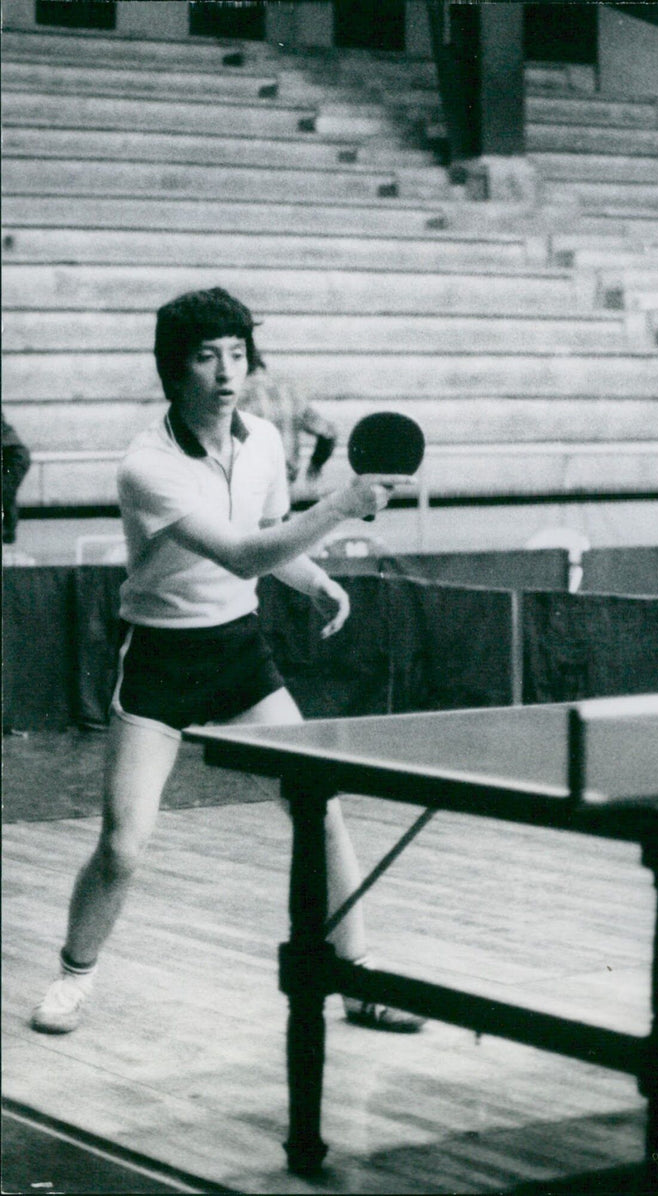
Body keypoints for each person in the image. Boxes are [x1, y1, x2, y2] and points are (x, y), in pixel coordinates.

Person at [31, 287, 424, 1036]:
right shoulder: (147, 466)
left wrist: (313, 581)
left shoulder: (266, 443)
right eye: (207, 356)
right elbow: (243, 553)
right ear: (174, 370)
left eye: (237, 354)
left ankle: (357, 979)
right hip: (161, 662)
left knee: (322, 810)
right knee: (122, 845)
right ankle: (72, 978)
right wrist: (341, 506)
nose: (225, 371)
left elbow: (270, 531)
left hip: (239, 652)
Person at [238, 355, 337, 490]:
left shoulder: (235, 395)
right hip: (285, 487)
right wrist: (315, 466)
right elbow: (328, 433)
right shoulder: (288, 391)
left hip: (248, 489)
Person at [2, 415, 31, 545]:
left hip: (15, 458)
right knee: (6, 491)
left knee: (5, 489)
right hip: (10, 457)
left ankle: (9, 531)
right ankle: (8, 531)